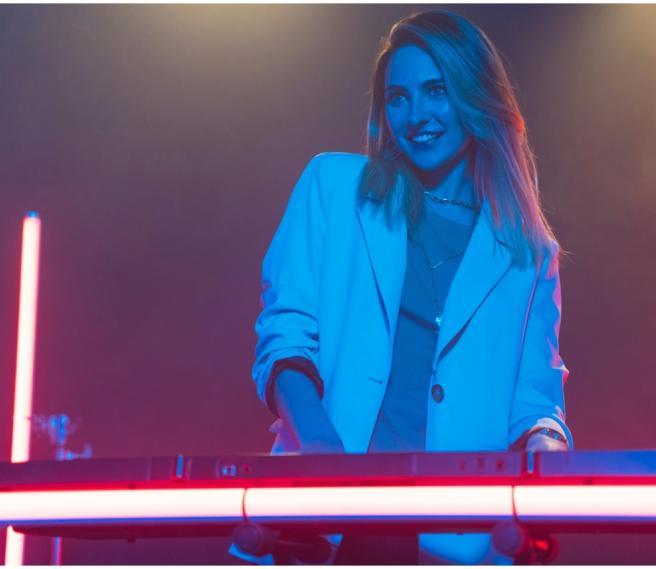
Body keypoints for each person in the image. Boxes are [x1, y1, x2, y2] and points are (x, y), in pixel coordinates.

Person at [240, 9, 572, 565]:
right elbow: (285, 338)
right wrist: (320, 446)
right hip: (325, 522)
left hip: (455, 536)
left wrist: (548, 447)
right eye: (398, 97)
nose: (416, 115)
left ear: (475, 95)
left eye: (436, 91)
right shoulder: (333, 188)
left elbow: (535, 401)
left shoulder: (528, 252)